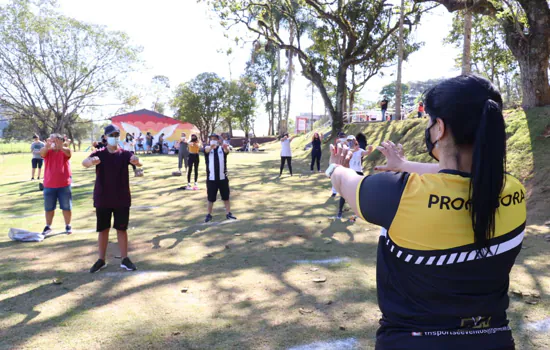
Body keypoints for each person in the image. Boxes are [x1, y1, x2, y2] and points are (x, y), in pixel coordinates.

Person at [326, 75, 525, 349]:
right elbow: (464, 175)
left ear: (440, 127)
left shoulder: (398, 193)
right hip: (495, 340)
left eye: (430, 121)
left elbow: (345, 180)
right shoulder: (513, 190)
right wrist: (406, 164)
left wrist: (334, 167)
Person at [82, 124, 142, 273]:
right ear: (105, 137)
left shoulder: (126, 153)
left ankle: (125, 259)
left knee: (122, 229)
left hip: (122, 198)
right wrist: (91, 162)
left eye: (116, 135)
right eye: (111, 135)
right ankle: (101, 260)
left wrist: (137, 161)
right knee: (103, 229)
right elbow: (85, 163)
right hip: (103, 198)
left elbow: (138, 162)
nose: (114, 138)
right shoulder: (100, 154)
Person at [39, 133, 73, 235]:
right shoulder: (47, 151)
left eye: (56, 140)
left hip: (64, 185)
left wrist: (61, 146)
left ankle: (68, 225)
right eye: (52, 140)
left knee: (66, 207)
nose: (54, 143)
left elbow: (69, 153)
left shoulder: (64, 150)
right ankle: (48, 226)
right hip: (49, 185)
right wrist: (46, 146)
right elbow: (42, 153)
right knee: (49, 208)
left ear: (61, 141)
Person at [335, 135, 373, 220]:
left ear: (355, 141)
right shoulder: (347, 150)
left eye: (352, 141)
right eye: (349, 141)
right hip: (349, 173)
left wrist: (370, 150)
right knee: (344, 193)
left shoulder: (359, 150)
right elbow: (346, 153)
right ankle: (340, 212)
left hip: (358, 172)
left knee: (360, 192)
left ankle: (359, 212)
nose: (350, 142)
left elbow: (366, 153)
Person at [203, 133, 236, 223]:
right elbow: (206, 150)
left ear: (218, 140)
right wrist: (211, 146)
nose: (213, 140)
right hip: (211, 179)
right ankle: (209, 214)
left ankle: (228, 213)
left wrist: (225, 147)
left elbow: (227, 151)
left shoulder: (221, 149)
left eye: (215, 138)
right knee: (211, 198)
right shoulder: (207, 149)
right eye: (211, 139)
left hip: (223, 178)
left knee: (226, 197)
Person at [330, 131, 347, 197]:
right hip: (337, 159)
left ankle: (343, 191)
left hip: (344, 160)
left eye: (343, 136)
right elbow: (336, 147)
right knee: (335, 176)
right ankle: (334, 192)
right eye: (341, 136)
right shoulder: (337, 141)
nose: (342, 137)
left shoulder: (346, 142)